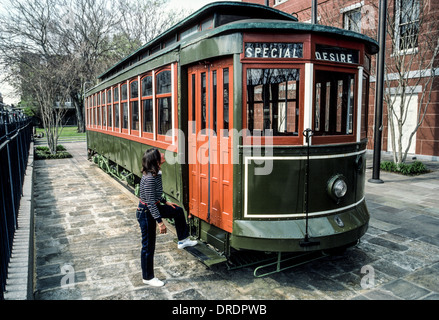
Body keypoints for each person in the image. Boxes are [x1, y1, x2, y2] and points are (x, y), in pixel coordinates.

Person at [136, 148, 197, 287]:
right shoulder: (150, 178)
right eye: (160, 154)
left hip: (153, 207)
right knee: (148, 246)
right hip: (146, 213)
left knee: (177, 211)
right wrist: (160, 222)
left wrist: (165, 201)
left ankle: (183, 240)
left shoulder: (155, 173)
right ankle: (148, 277)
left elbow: (155, 195)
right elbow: (150, 202)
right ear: (156, 161)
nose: (163, 154)